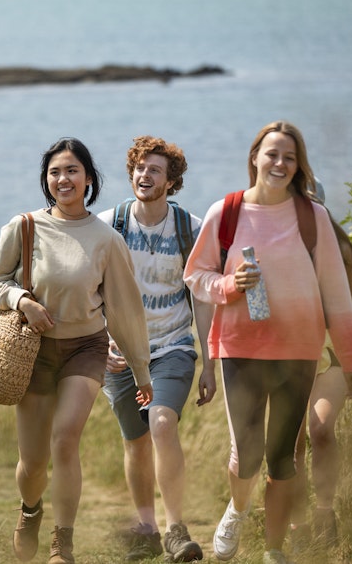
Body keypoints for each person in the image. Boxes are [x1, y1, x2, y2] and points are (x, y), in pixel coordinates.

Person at [183, 121, 352, 564]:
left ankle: (274, 548)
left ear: (298, 166)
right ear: (255, 158)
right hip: (240, 345)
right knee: (247, 454)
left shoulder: (311, 216)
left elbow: (337, 293)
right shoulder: (224, 212)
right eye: (272, 154)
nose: (280, 163)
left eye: (289, 157)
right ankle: (238, 509)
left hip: (299, 350)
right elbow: (195, 275)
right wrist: (229, 285)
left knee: (284, 456)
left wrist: (351, 359)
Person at [0, 137, 153, 564]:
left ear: (89, 180)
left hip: (86, 346)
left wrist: (140, 369)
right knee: (33, 462)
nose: (64, 179)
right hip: (33, 350)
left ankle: (63, 543)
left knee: (65, 439)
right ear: (47, 180)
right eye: (55, 172)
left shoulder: (105, 239)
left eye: (73, 171)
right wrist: (22, 300)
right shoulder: (23, 226)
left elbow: (126, 310)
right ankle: (30, 510)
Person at [97, 136, 216, 562]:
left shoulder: (191, 228)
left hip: (173, 348)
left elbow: (202, 298)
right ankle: (145, 527)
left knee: (162, 423)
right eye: (139, 168)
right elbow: (91, 289)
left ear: (171, 181)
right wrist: (99, 342)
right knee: (136, 440)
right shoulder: (110, 223)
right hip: (120, 352)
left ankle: (175, 530)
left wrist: (209, 364)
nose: (144, 176)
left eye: (155, 170)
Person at [289, 182, 352, 553]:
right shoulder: (274, 247)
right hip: (286, 357)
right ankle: (296, 526)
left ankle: (325, 516)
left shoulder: (338, 250)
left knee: (319, 430)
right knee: (290, 444)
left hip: (330, 358)